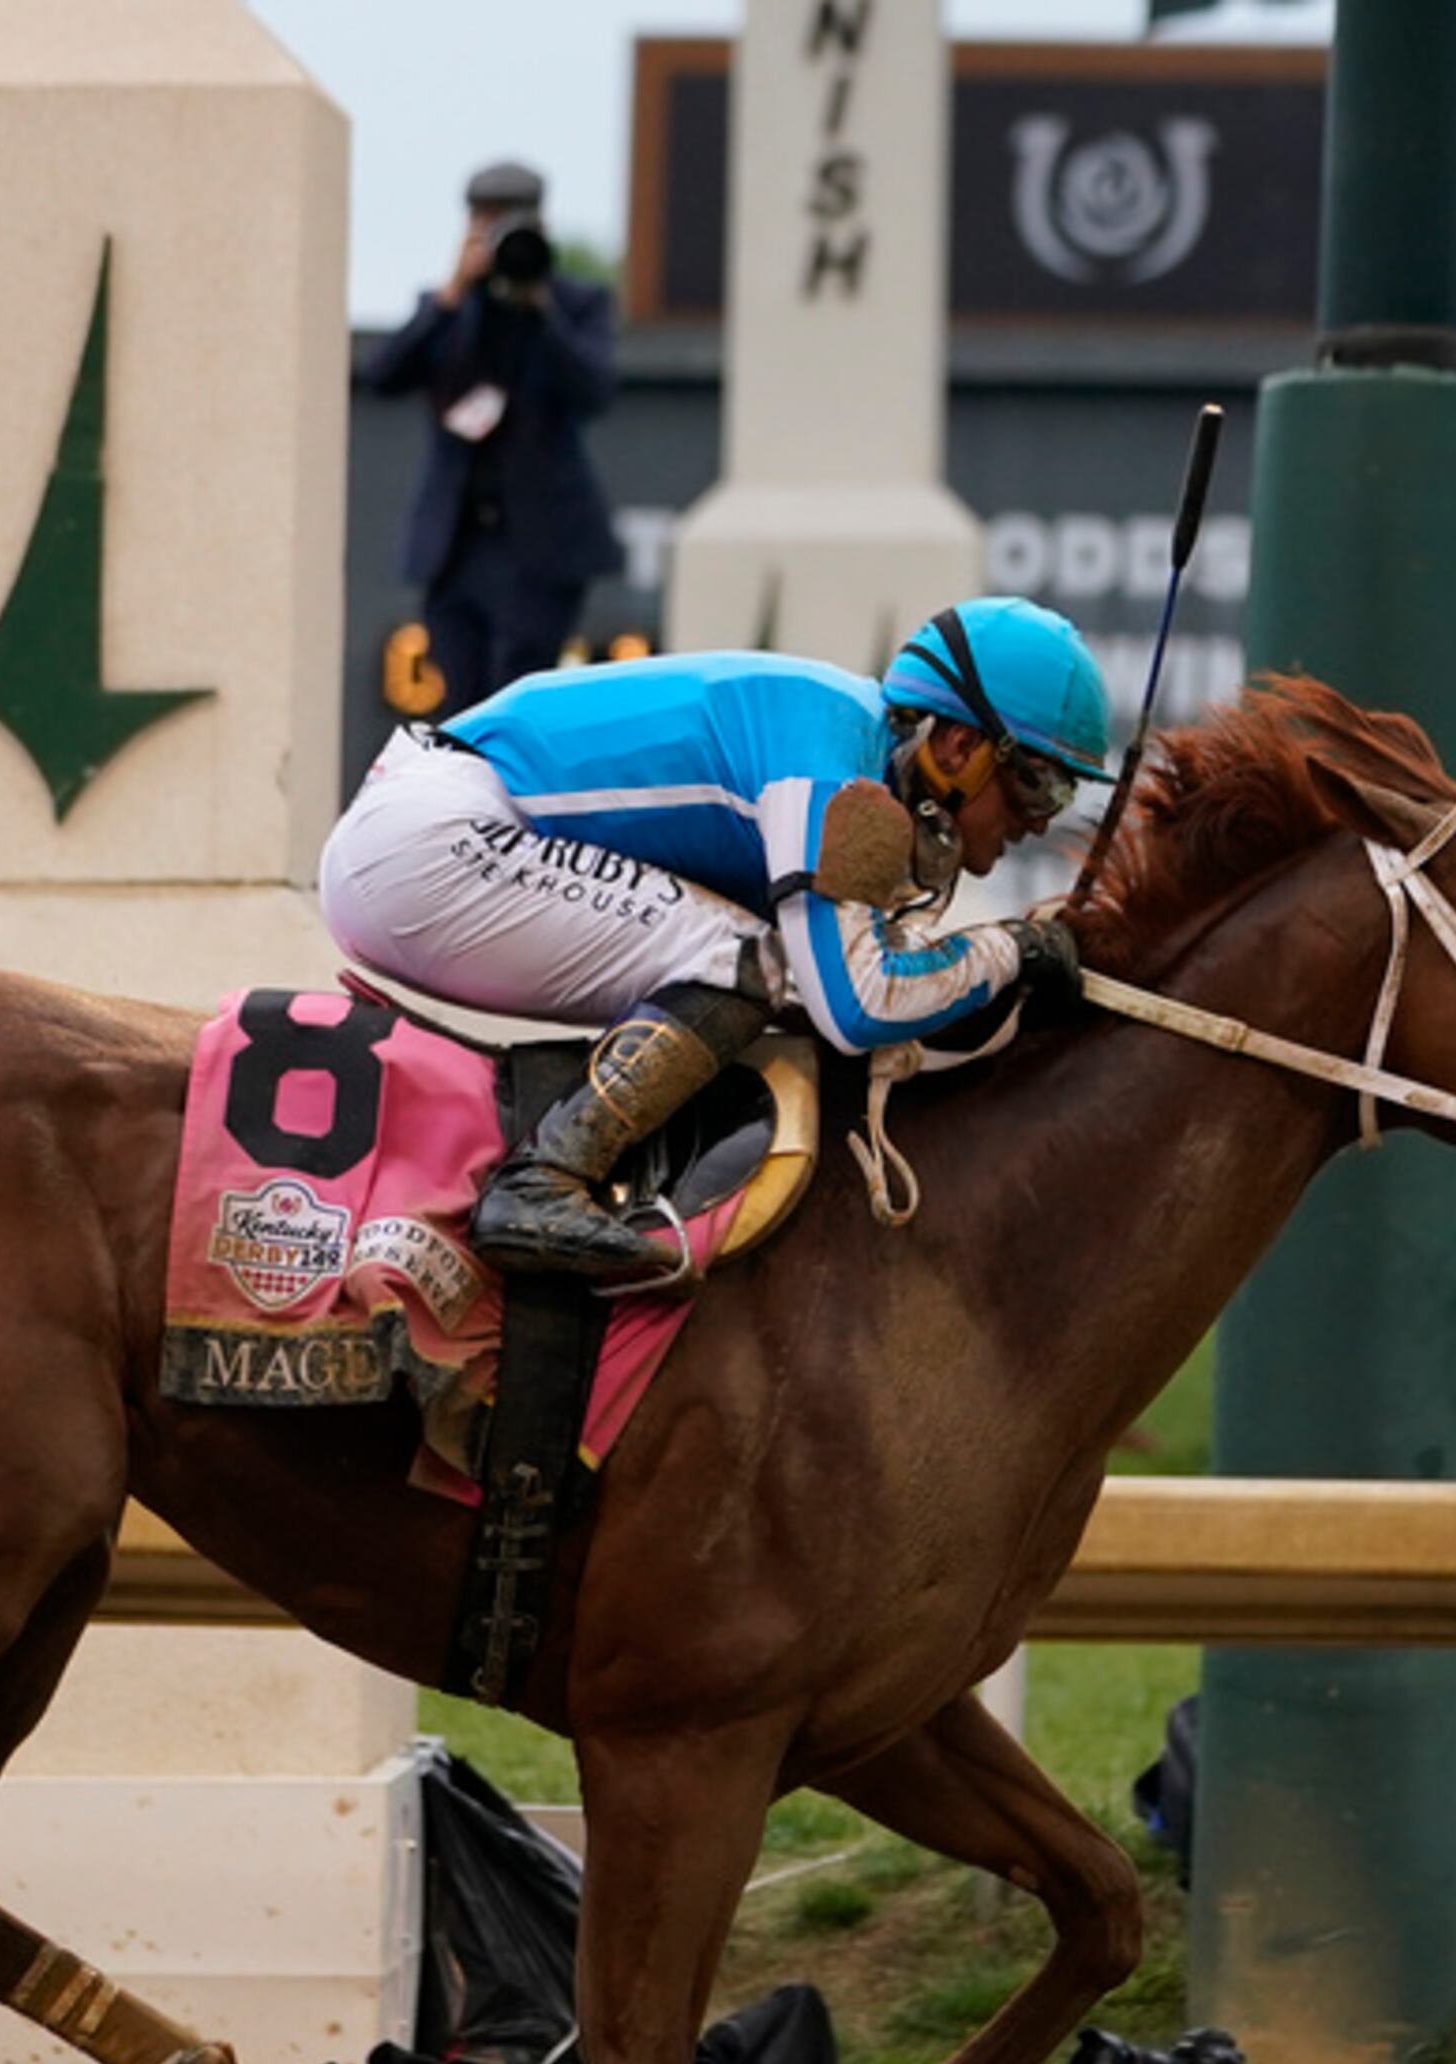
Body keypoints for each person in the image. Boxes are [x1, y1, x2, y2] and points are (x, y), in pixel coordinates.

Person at [320, 597, 1113, 1281]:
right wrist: (1012, 949)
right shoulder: (832, 763)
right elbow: (859, 1005)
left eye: (1064, 790)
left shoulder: (860, 755)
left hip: (428, 831)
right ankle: (539, 1181)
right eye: (1038, 781)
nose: (1042, 818)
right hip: (431, 838)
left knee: (766, 964)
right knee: (754, 962)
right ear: (960, 748)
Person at [361, 160, 627, 714]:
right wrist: (452, 293)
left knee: (518, 701)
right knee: (460, 707)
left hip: (541, 546)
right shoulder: (450, 307)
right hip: (458, 547)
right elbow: (382, 375)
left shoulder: (576, 305)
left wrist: (541, 311)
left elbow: (596, 392)